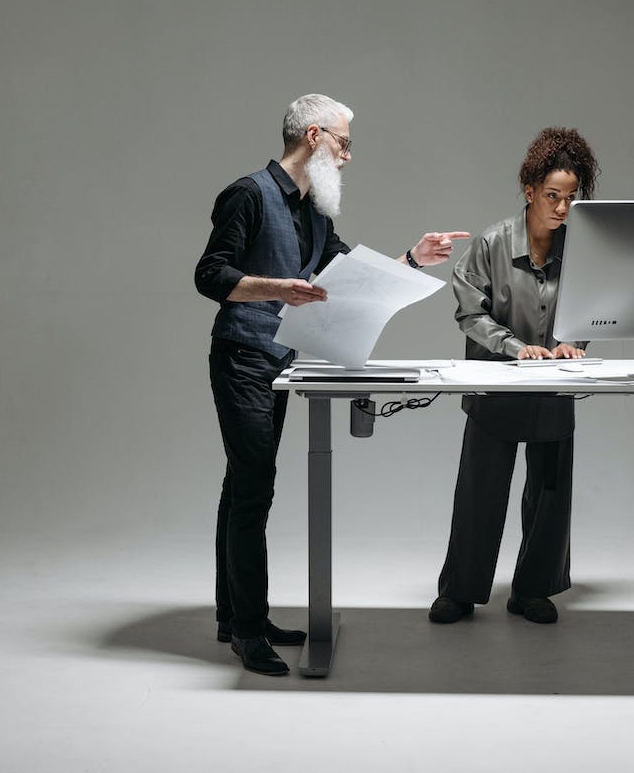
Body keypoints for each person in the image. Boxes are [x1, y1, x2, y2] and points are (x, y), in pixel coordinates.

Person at [195, 94, 466, 675]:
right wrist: (277, 288)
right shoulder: (247, 194)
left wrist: (413, 259)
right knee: (253, 489)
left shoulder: (314, 209)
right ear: (313, 136)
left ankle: (234, 614)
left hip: (280, 361)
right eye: (343, 142)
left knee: (244, 485)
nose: (347, 156)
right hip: (242, 356)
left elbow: (348, 276)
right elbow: (210, 274)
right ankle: (248, 631)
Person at [429, 127, 599, 626]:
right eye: (552, 196)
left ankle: (532, 591)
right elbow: (469, 313)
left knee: (549, 494)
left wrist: (576, 343)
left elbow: (594, 308)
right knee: (480, 491)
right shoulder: (492, 243)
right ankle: (460, 591)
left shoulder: (583, 248)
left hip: (554, 386)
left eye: (571, 198)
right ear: (529, 191)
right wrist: (513, 348)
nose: (563, 208)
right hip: (496, 386)